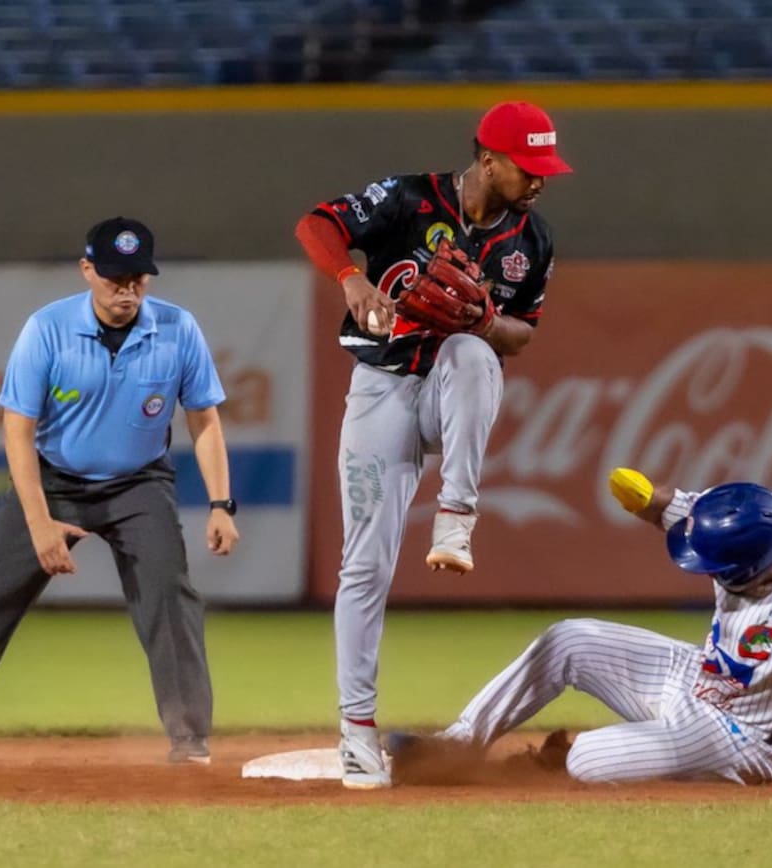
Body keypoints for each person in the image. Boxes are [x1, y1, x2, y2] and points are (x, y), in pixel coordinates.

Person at [0, 217, 240, 765]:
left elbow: (205, 419)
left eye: (139, 279)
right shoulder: (46, 329)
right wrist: (39, 522)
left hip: (139, 483)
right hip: (55, 480)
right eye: (115, 278)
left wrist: (220, 504)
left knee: (170, 597)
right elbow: (17, 430)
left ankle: (189, 736)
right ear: (87, 270)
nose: (127, 291)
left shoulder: (177, 328)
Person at [294, 101, 572, 788]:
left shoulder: (531, 241)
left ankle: (457, 515)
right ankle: (356, 732)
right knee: (363, 567)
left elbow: (522, 336)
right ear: (487, 159)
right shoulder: (410, 199)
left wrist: (484, 318)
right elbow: (317, 223)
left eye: (545, 168)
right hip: (383, 388)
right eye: (527, 167)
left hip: (453, 390)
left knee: (477, 355)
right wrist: (350, 277)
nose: (539, 181)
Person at [393, 468, 772, 790]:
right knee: (568, 639)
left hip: (740, 739)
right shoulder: (741, 524)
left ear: (756, 565)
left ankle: (552, 765)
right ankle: (459, 745)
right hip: (693, 678)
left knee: (580, 762)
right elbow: (668, 508)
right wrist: (642, 495)